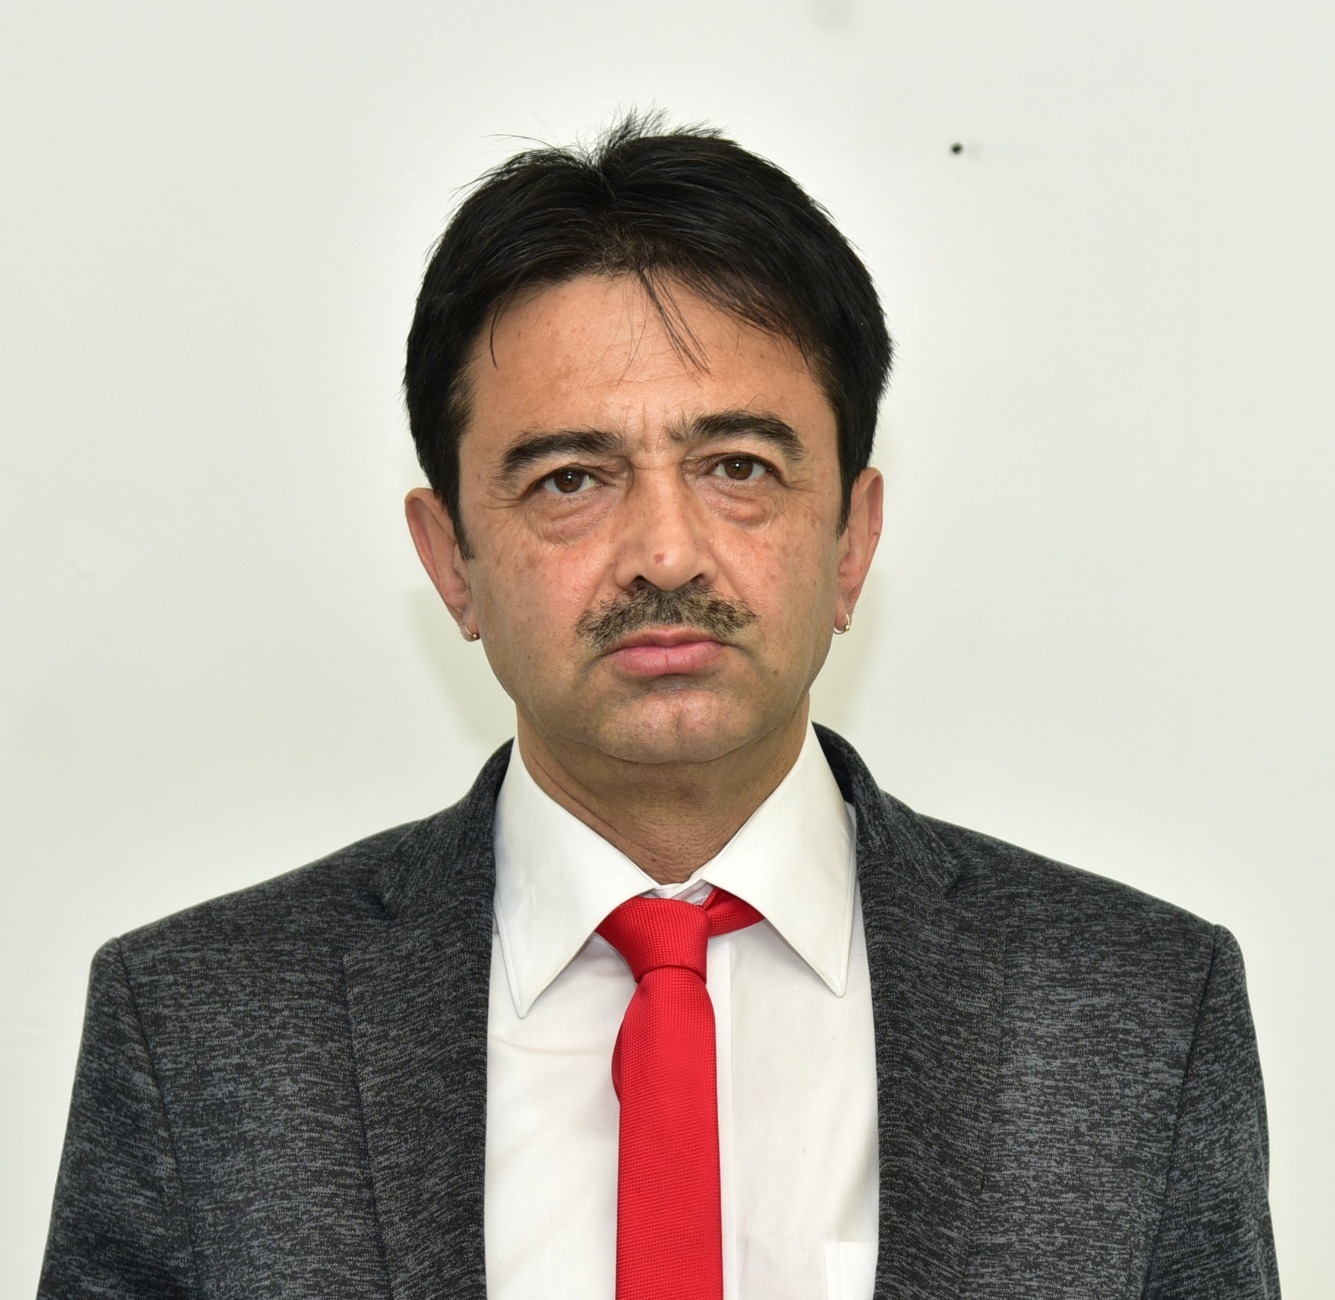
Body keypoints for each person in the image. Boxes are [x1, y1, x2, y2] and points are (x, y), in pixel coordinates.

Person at [39, 115, 1278, 1299]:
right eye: (570, 479)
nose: (666, 553)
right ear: (451, 559)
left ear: (853, 539)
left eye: (738, 466)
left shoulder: (1140, 1009)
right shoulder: (201, 1025)